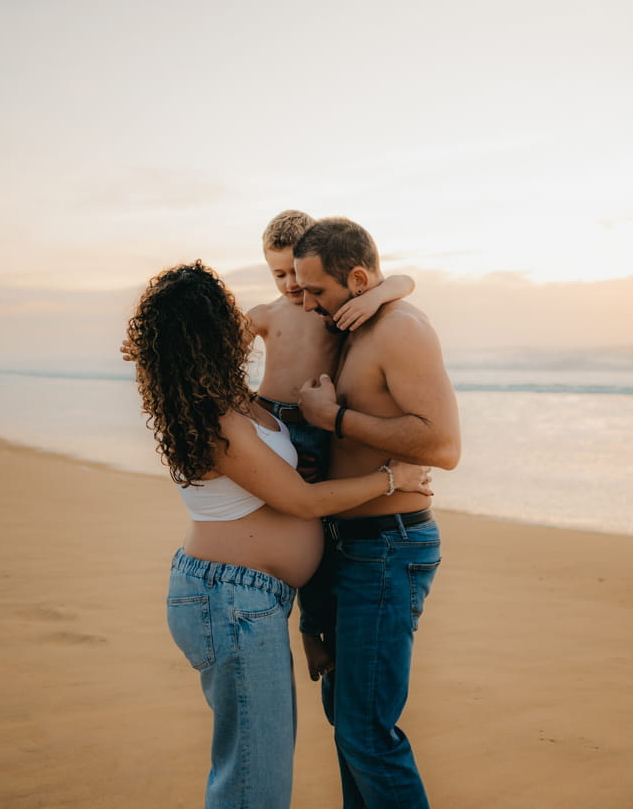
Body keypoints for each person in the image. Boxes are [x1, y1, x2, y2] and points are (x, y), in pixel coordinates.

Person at [125, 260, 433, 809]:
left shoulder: (231, 398)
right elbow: (301, 501)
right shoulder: (213, 415)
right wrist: (392, 477)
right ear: (211, 330)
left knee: (256, 775)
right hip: (230, 599)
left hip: (246, 599)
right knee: (254, 787)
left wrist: (392, 287)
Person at [294, 218, 461, 809]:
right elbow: (397, 281)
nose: (305, 301)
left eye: (316, 290)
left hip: (388, 547)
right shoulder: (355, 321)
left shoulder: (401, 330)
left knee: (367, 732)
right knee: (349, 725)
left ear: (358, 278)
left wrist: (331, 420)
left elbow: (442, 446)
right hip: (349, 546)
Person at [248, 209, 415, 678]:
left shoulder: (335, 307)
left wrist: (377, 294)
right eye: (277, 274)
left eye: (296, 274)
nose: (290, 285)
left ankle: (315, 626)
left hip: (316, 425)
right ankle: (302, 629)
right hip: (272, 421)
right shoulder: (268, 314)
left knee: (316, 528)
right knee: (285, 521)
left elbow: (402, 280)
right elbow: (216, 344)